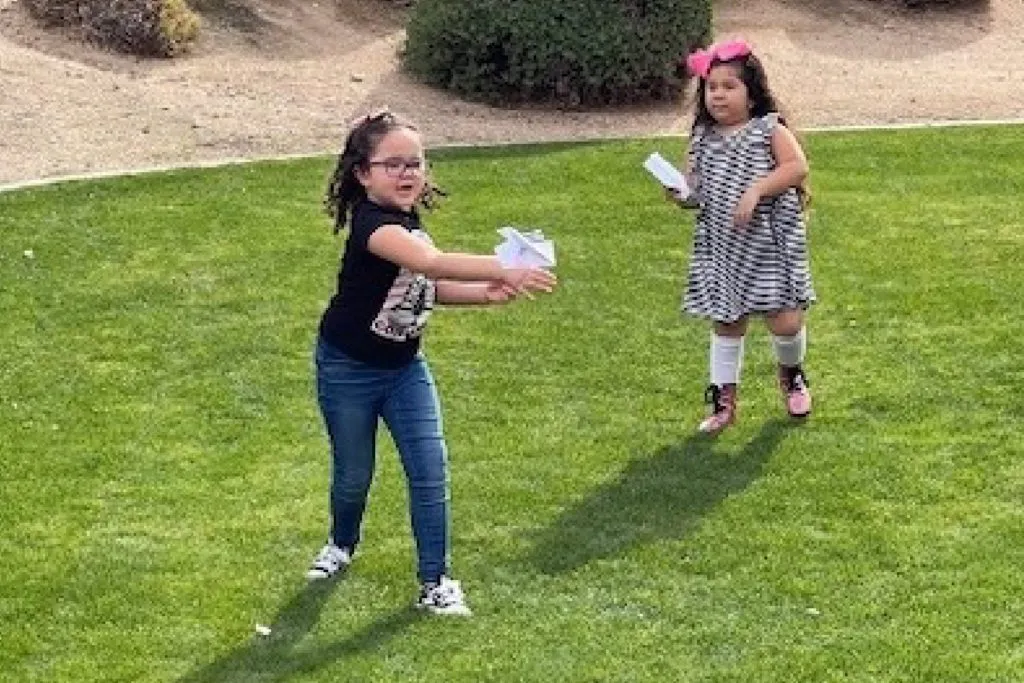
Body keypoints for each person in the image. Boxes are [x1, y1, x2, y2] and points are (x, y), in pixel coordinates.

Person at [306, 109, 556, 616]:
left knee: (430, 471)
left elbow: (424, 287)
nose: (407, 174)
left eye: (415, 163)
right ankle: (340, 544)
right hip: (347, 369)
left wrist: (486, 294)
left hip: (404, 371)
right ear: (362, 173)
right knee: (354, 474)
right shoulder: (373, 227)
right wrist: (510, 263)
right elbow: (429, 264)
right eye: (392, 164)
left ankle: (435, 582)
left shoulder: (407, 222)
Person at [675, 39, 816, 435]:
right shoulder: (701, 139)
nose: (718, 94)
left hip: (770, 245)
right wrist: (680, 193)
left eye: (729, 86)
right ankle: (723, 401)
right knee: (726, 322)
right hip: (723, 248)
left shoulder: (768, 130)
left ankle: (792, 375)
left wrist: (757, 189)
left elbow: (796, 168)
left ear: (752, 94)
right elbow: (695, 190)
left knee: (786, 322)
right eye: (711, 87)